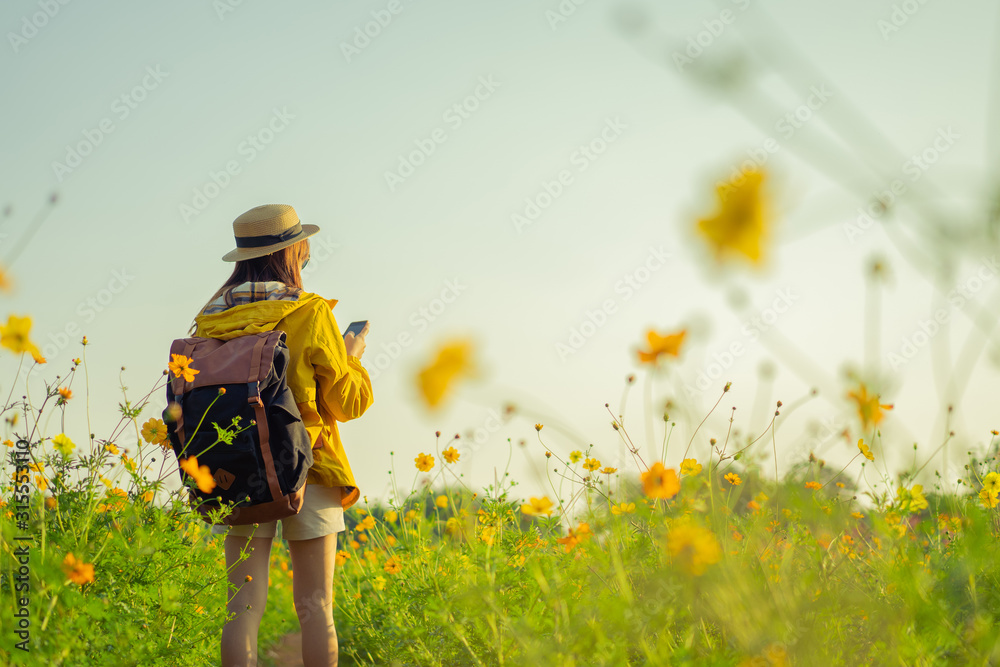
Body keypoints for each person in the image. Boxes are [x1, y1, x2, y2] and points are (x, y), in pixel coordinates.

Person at [188, 203, 373, 667]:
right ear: (292, 254)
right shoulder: (309, 312)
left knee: (240, 613)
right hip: (308, 467)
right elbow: (345, 404)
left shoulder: (209, 321)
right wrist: (351, 355)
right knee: (317, 610)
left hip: (238, 470)